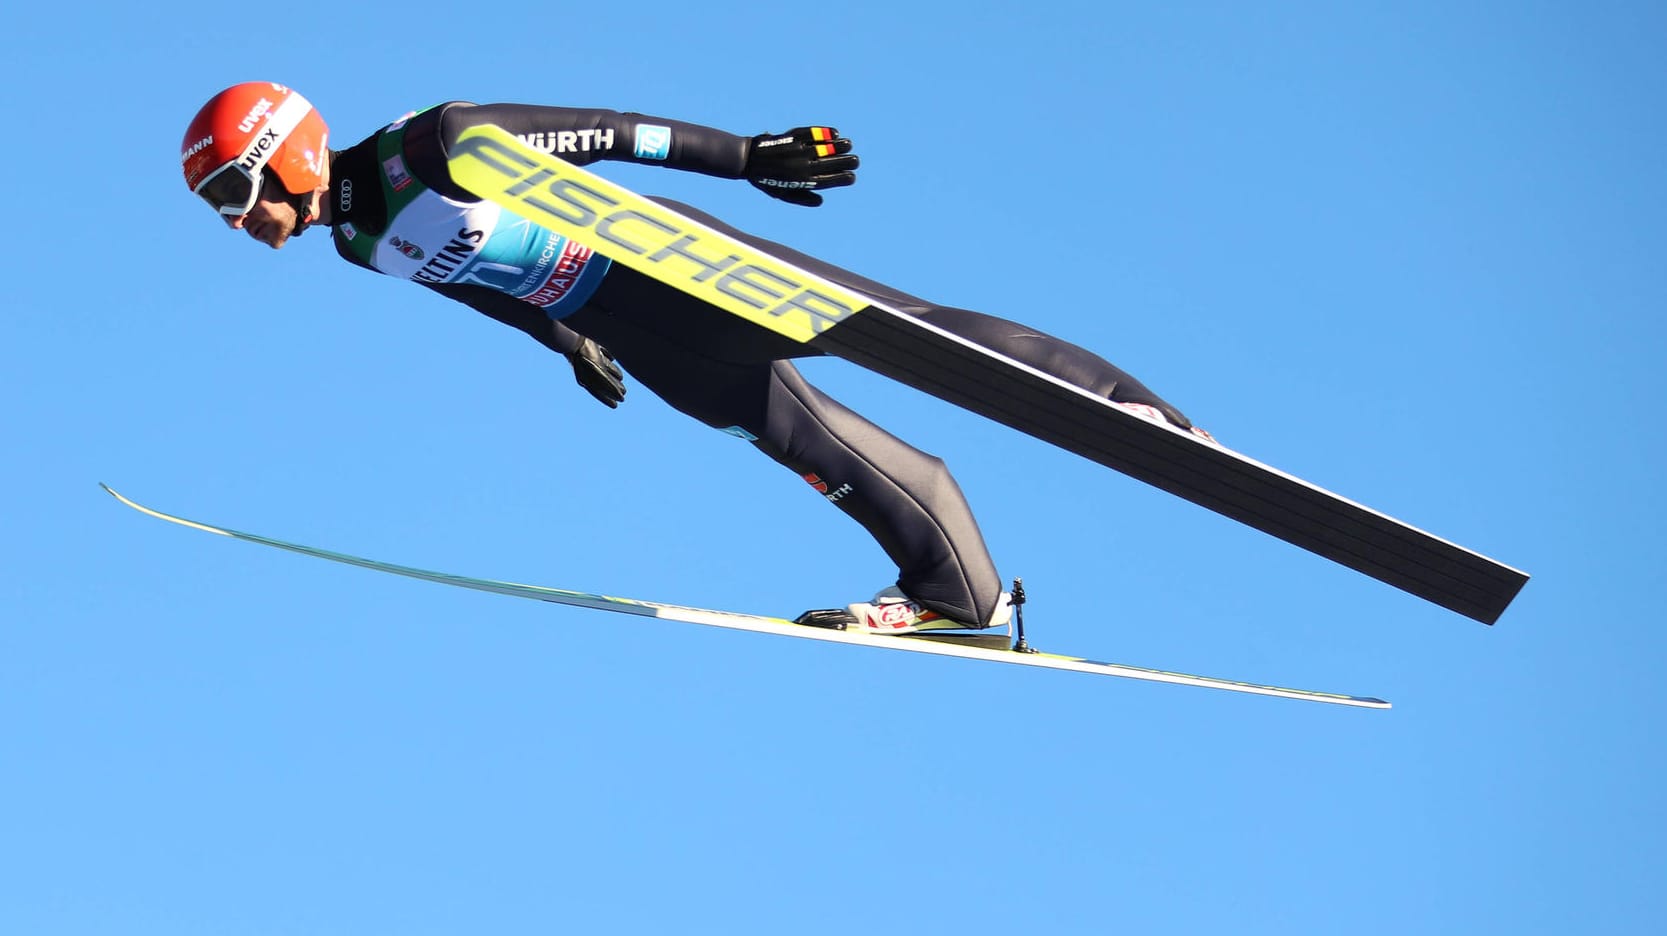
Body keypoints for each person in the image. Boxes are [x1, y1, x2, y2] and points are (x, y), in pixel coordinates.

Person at [180, 82, 1210, 635]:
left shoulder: (438, 143)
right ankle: (958, 594)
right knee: (811, 445)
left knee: (910, 330)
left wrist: (748, 157)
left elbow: (614, 134)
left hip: (668, 269)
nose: (237, 223)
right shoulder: (359, 243)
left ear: (290, 153)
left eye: (236, 192)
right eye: (220, 207)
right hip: (639, 334)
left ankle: (1131, 407)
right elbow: (469, 283)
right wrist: (563, 340)